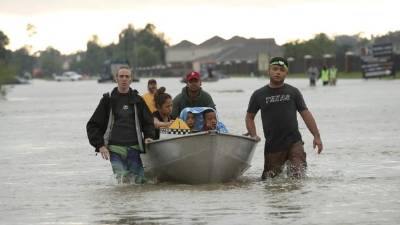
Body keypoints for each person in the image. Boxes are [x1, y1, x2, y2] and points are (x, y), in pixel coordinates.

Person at [245, 57, 323, 179]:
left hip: (294, 142)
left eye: (281, 70)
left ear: (286, 73)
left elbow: (305, 113)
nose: (278, 72)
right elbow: (249, 117)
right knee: (270, 181)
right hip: (273, 145)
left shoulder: (293, 92)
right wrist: (253, 135)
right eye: (275, 69)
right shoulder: (258, 94)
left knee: (298, 176)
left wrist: (316, 136)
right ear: (268, 71)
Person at [86, 67, 155, 184]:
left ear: (131, 80)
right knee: (122, 183)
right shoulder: (107, 100)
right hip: (114, 149)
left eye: (127, 77)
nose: (124, 79)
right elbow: (92, 125)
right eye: (121, 76)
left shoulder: (138, 100)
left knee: (139, 183)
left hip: (134, 147)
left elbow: (148, 121)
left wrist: (148, 136)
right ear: (116, 79)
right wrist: (100, 145)